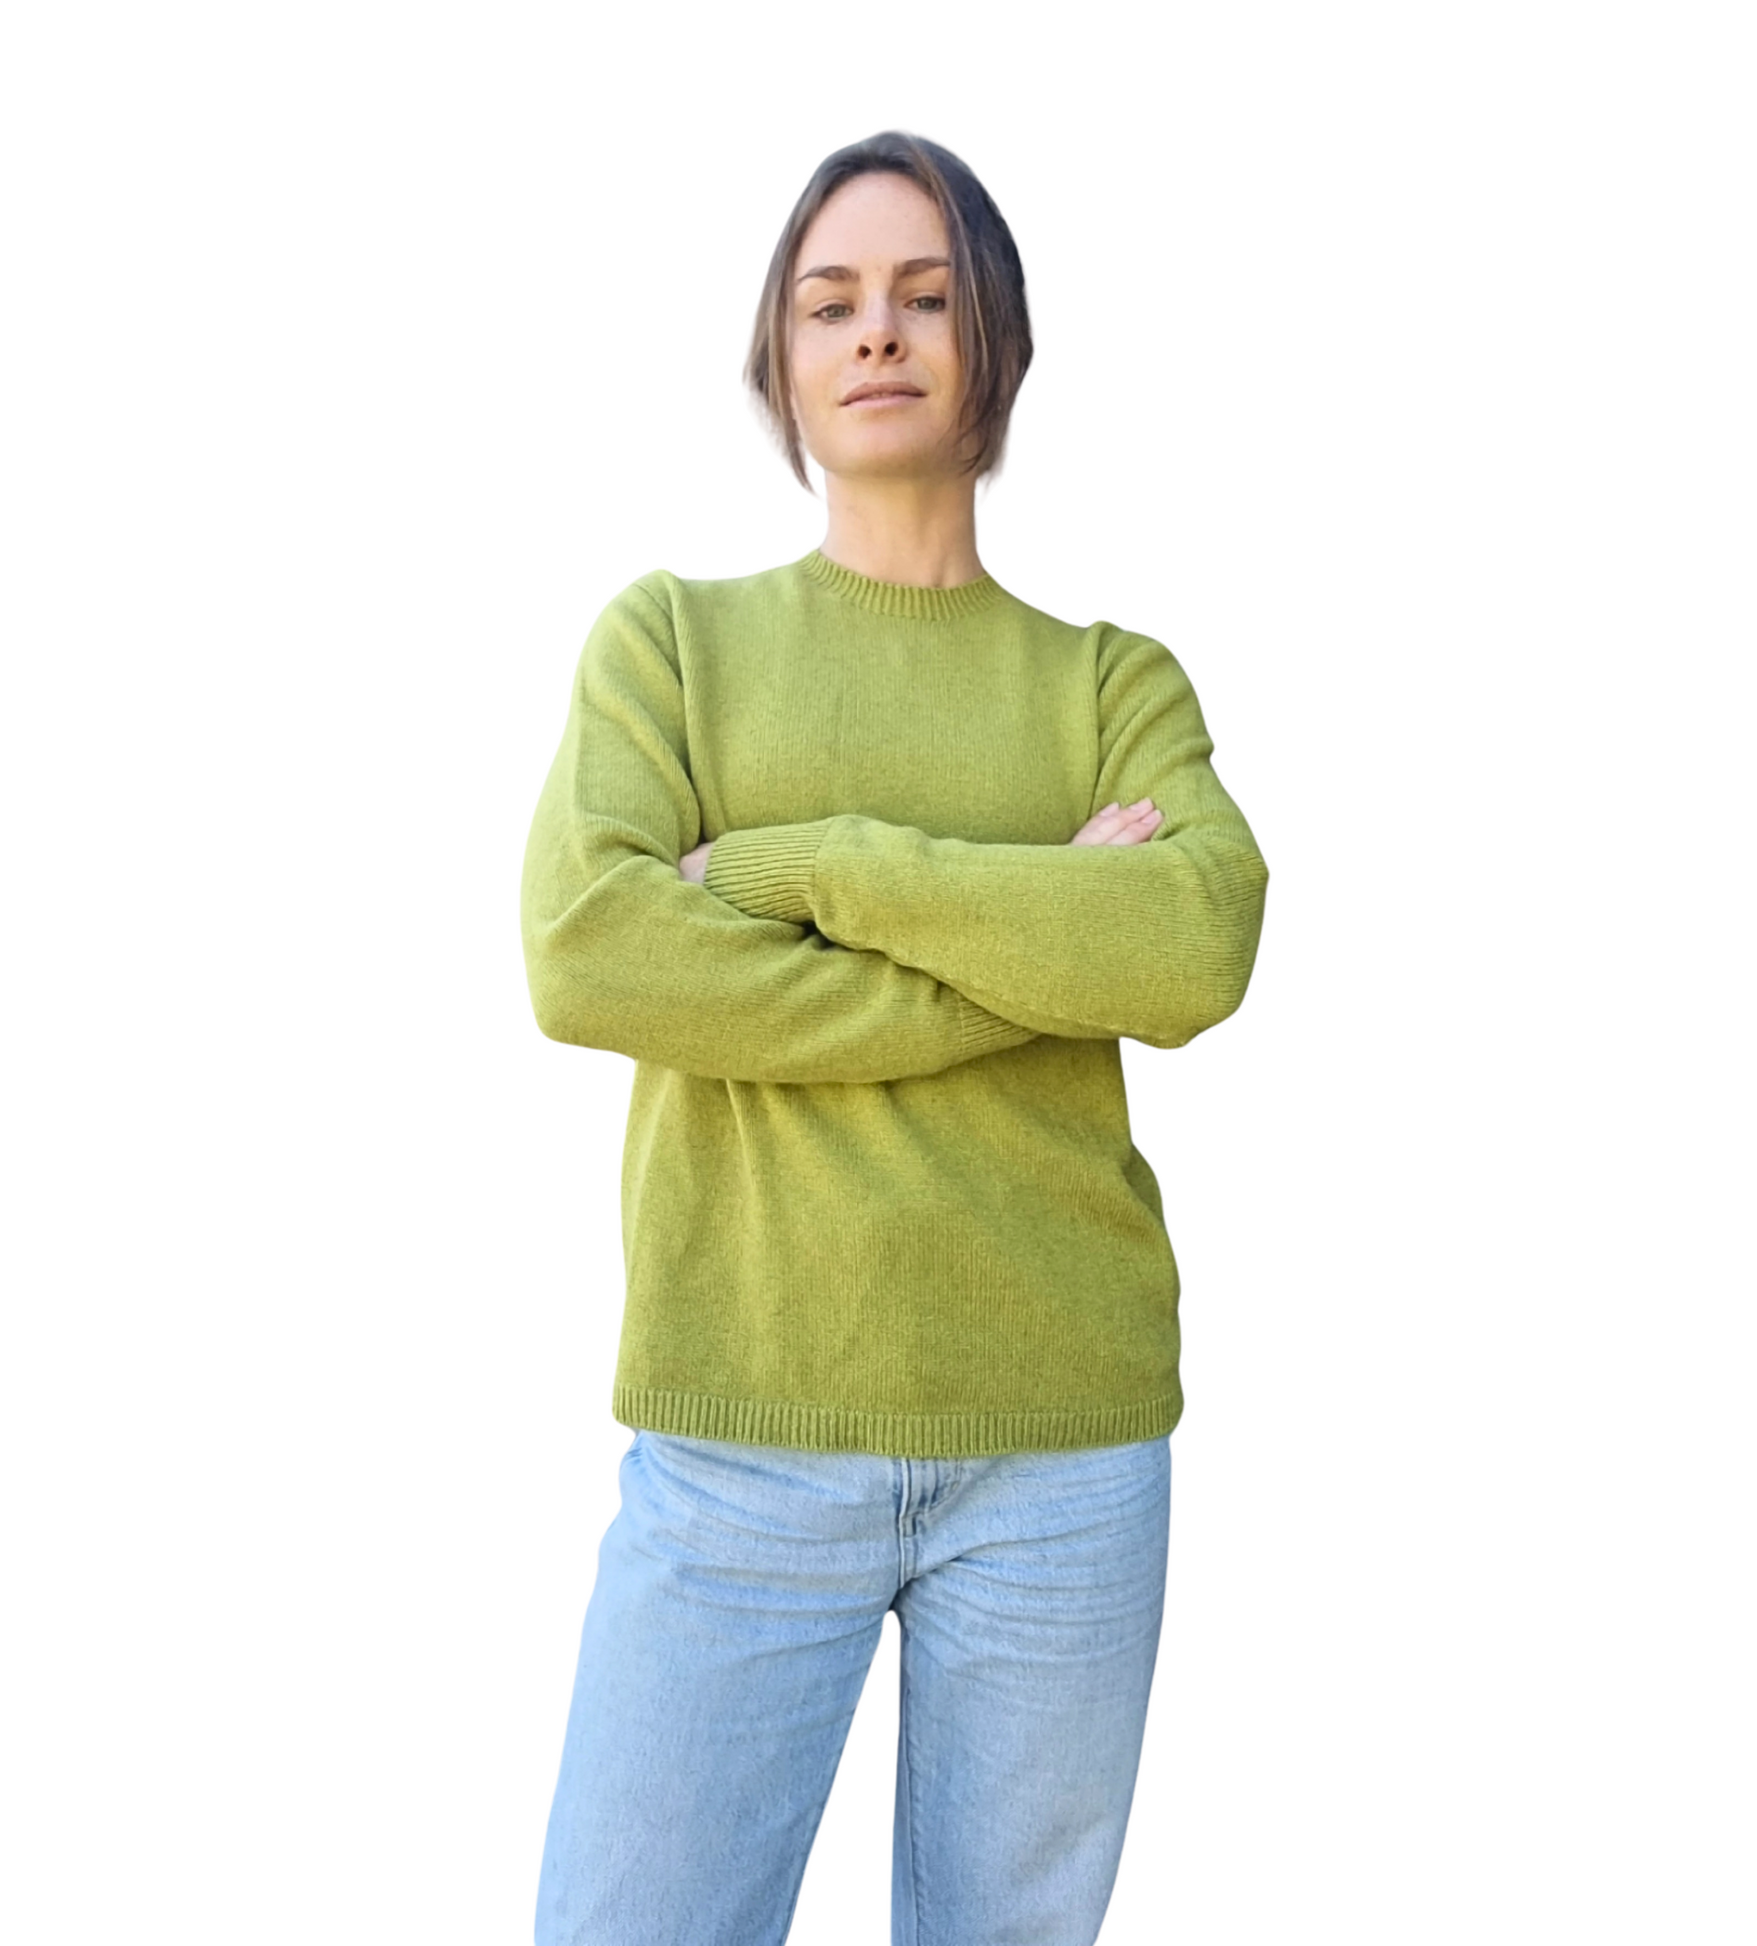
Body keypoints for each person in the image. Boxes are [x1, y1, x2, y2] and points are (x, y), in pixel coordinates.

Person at [520, 129, 1269, 1946]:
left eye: (925, 296)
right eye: (830, 301)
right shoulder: (674, 647)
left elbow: (1192, 940)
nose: (878, 334)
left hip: (1063, 1450)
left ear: (991, 343)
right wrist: (1029, 934)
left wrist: (804, 868)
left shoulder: (1112, 683)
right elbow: (589, 951)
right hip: (740, 1430)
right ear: (778, 357)